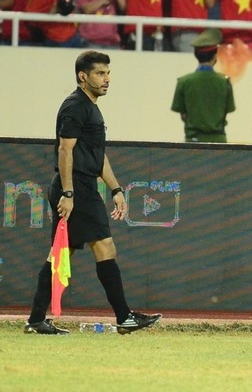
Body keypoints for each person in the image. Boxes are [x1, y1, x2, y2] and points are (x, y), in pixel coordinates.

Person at [24, 51, 162, 335]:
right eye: (100, 73)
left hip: (81, 185)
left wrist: (116, 188)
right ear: (82, 76)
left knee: (61, 255)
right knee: (103, 247)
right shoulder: (75, 105)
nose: (107, 79)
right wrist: (69, 193)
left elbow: (97, 155)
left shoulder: (91, 107)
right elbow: (65, 150)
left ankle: (36, 319)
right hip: (76, 187)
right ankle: (124, 318)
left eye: (108, 72)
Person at [171, 28, 235, 142]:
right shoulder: (224, 82)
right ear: (215, 56)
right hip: (219, 142)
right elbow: (226, 111)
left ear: (196, 55)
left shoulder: (184, 82)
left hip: (193, 141)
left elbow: (183, 115)